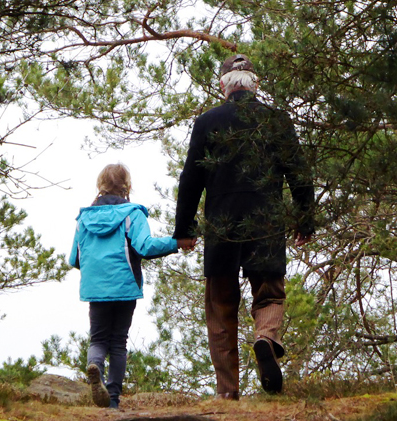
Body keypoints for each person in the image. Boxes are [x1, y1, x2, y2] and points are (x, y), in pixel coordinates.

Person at [173, 54, 315, 399]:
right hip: (266, 222)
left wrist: (185, 228)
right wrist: (304, 220)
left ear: (224, 85)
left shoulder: (208, 121)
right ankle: (266, 339)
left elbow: (191, 177)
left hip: (222, 226)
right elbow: (299, 174)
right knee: (269, 293)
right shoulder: (277, 120)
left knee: (220, 307)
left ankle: (227, 393)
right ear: (255, 84)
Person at [69, 163, 194, 409]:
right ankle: (113, 398)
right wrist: (176, 242)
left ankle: (95, 368)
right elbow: (145, 247)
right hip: (125, 286)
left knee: (98, 339)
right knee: (118, 342)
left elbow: (74, 258)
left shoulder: (83, 218)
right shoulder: (132, 214)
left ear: (100, 185)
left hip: (96, 288)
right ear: (127, 186)